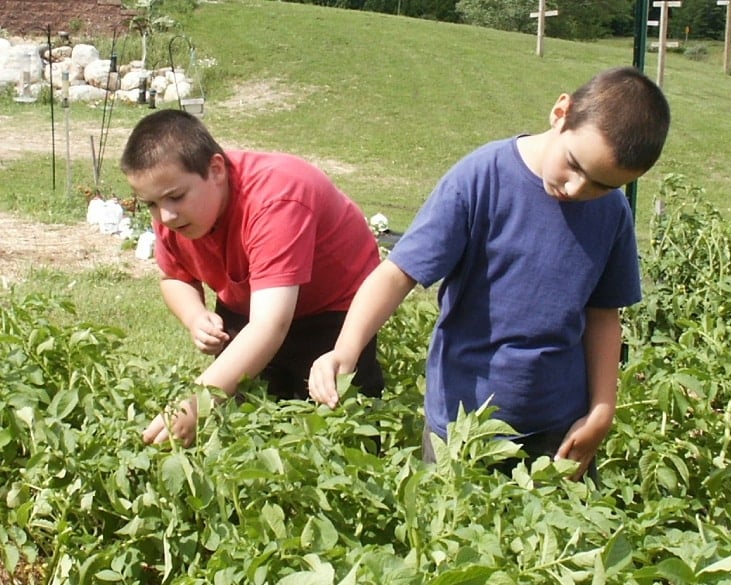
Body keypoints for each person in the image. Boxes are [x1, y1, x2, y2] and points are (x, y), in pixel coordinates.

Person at [308, 66, 670, 480]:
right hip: (462, 427)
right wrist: (346, 348)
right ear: (560, 112)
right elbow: (397, 273)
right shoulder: (482, 178)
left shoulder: (611, 213)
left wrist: (601, 411)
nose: (576, 189)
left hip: (557, 430)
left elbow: (604, 317)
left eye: (601, 185)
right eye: (574, 165)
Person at [120, 109, 384, 446]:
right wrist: (194, 315)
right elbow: (173, 276)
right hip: (251, 302)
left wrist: (199, 401)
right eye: (151, 204)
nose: (165, 216)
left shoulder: (276, 198)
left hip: (333, 310)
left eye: (175, 197)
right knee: (241, 420)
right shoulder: (174, 210)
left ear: (216, 170)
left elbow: (269, 325)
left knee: (336, 420)